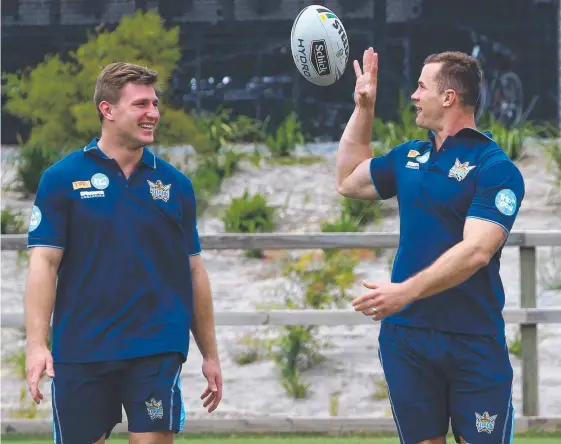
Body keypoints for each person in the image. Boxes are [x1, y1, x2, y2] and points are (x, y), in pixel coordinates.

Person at [24, 62, 223, 444]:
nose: (154, 113)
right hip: (81, 348)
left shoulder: (176, 185)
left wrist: (209, 354)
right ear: (108, 110)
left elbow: (194, 271)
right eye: (141, 104)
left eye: (155, 103)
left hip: (156, 347)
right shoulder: (61, 179)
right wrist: (37, 345)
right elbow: (44, 264)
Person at [337, 48, 525, 444]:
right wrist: (364, 107)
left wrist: (404, 291)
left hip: (473, 339)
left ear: (449, 97)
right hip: (406, 338)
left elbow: (476, 251)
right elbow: (349, 180)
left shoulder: (495, 168)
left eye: (422, 87)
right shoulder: (409, 156)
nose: (414, 95)